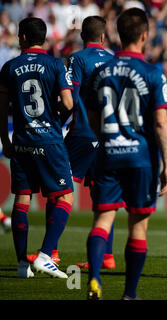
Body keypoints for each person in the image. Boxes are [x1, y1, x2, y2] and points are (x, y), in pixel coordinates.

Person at [85, 8, 167, 300]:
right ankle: (129, 294)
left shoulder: (100, 72)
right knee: (138, 224)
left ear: (117, 35)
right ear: (145, 36)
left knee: (102, 220)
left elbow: (93, 118)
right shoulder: (152, 73)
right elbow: (160, 122)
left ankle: (94, 280)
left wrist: (107, 140)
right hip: (141, 158)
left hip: (109, 153)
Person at [26, 16, 117, 270]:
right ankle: (107, 256)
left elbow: (72, 98)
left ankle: (50, 252)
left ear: (82, 37)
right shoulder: (114, 61)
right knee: (102, 193)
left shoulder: (78, 59)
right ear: (102, 36)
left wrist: (58, 119)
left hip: (82, 134)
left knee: (58, 189)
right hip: (108, 137)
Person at [0, 17, 74, 278]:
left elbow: (1, 109)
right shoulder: (55, 64)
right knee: (65, 197)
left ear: (22, 38)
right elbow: (68, 103)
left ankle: (22, 265)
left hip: (21, 142)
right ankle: (45, 255)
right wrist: (56, 115)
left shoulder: (9, 67)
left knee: (22, 200)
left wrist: (5, 140)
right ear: (44, 39)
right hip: (48, 141)